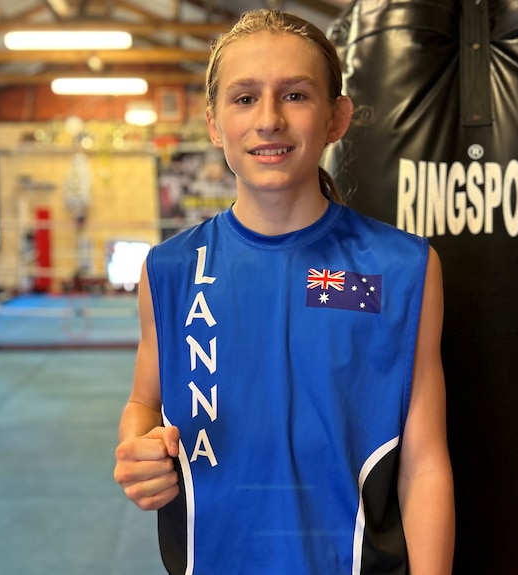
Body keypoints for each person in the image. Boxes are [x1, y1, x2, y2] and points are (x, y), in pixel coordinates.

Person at [114, 9, 454, 574]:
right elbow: (144, 403)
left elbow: (424, 463)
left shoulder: (400, 269)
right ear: (214, 123)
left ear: (336, 117)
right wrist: (136, 451)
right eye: (244, 98)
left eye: (295, 95)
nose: (268, 119)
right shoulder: (170, 269)